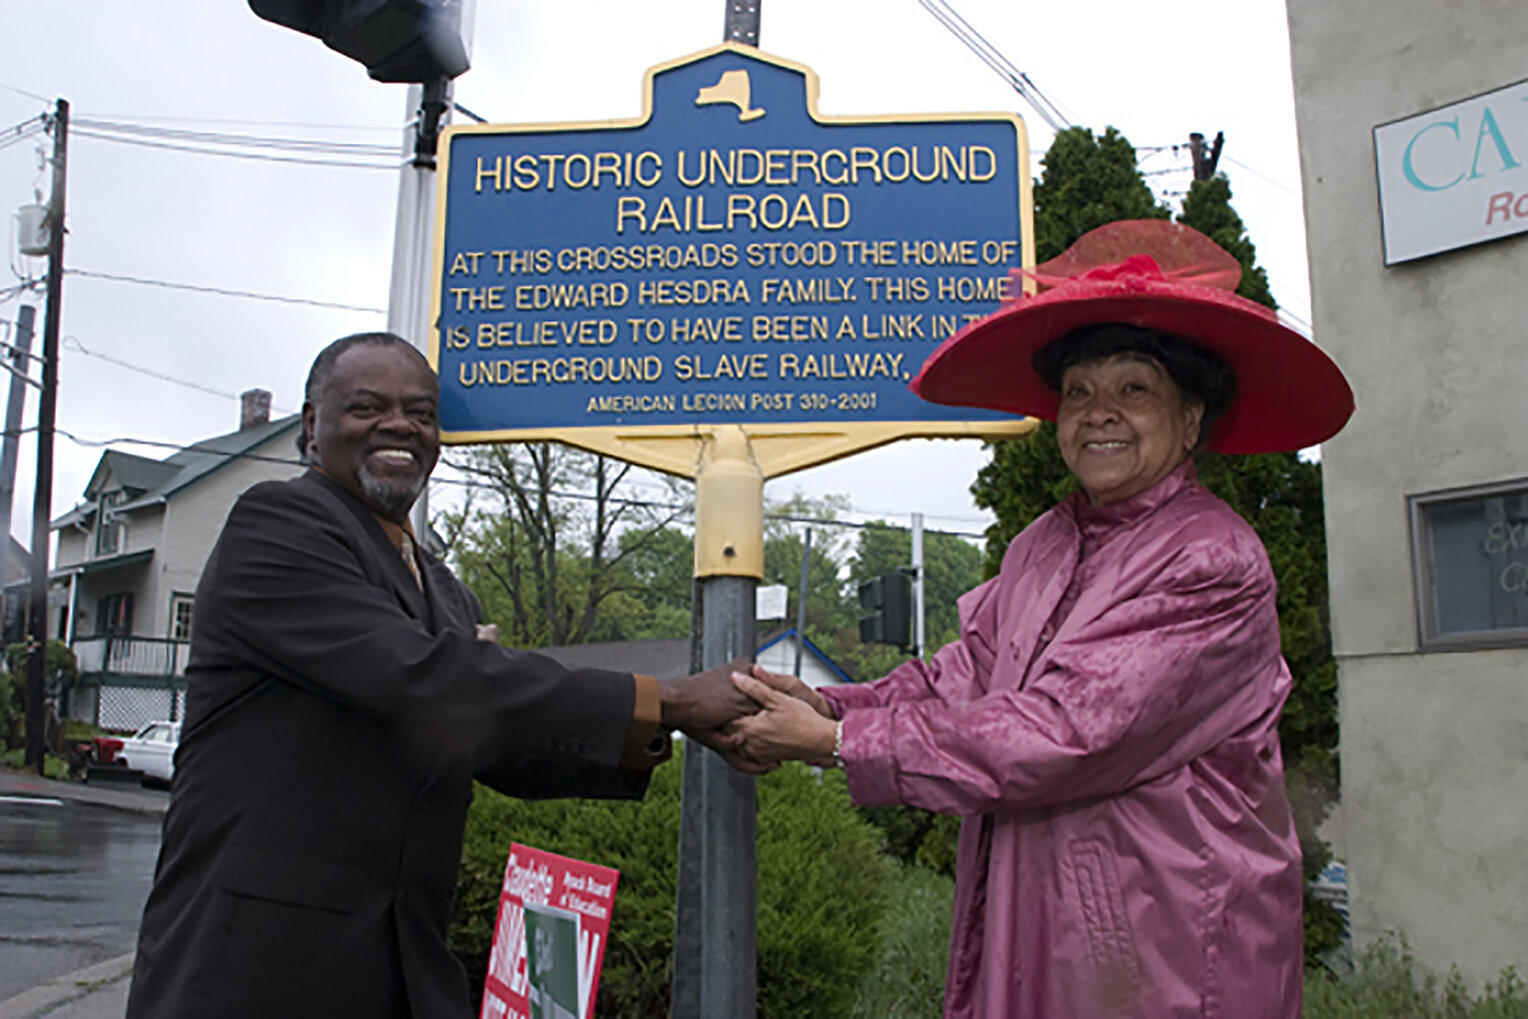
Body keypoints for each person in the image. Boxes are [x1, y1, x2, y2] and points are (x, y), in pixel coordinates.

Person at [728, 220, 1355, 1018]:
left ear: (1191, 418)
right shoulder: (1043, 545)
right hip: (1041, 936)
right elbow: (959, 678)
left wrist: (839, 744)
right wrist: (824, 705)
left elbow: (1066, 732)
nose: (1100, 414)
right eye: (1079, 393)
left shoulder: (1211, 561)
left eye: (1134, 389)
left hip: (1160, 959)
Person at [126, 331, 756, 1019]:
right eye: (368, 406)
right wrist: (670, 697)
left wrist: (676, 726)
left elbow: (495, 742)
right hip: (255, 971)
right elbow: (422, 675)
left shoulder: (444, 591)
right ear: (313, 425)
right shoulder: (277, 524)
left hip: (401, 968)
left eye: (422, 413)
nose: (400, 425)